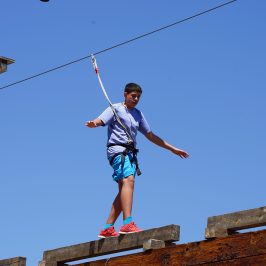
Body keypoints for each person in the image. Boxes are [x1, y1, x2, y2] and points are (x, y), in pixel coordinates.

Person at [85, 82, 189, 238]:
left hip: (131, 153)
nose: (136, 99)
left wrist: (172, 148)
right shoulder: (115, 109)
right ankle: (127, 223)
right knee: (129, 181)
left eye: (138, 97)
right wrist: (94, 123)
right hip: (118, 151)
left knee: (124, 189)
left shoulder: (138, 114)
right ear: (125, 94)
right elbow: (101, 120)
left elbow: (151, 135)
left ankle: (108, 227)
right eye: (133, 96)